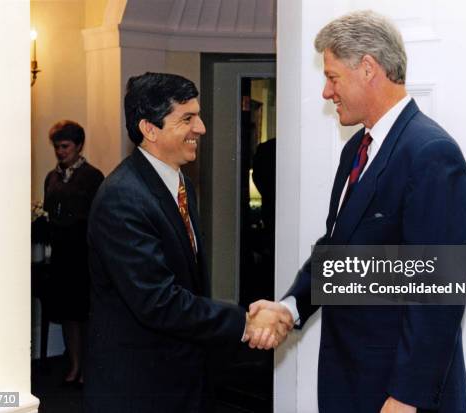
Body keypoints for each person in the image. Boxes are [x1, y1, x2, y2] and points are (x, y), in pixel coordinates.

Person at [249, 10, 466, 413]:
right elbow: (338, 250)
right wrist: (290, 306)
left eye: (332, 77)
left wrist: (408, 397)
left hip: (397, 394)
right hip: (351, 384)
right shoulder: (357, 150)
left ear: (368, 68)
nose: (325, 92)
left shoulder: (431, 154)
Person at [83, 72, 292, 413]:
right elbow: (159, 301)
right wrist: (245, 322)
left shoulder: (181, 185)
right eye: (187, 119)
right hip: (139, 390)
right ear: (149, 129)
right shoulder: (122, 198)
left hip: (180, 379)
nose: (202, 128)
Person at [43, 120, 104, 385]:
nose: (60, 152)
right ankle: (75, 365)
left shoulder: (93, 176)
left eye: (65, 146)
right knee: (68, 314)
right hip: (61, 256)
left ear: (79, 146)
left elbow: (98, 219)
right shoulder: (51, 177)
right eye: (57, 147)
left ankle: (89, 368)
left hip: (84, 256)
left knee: (85, 314)